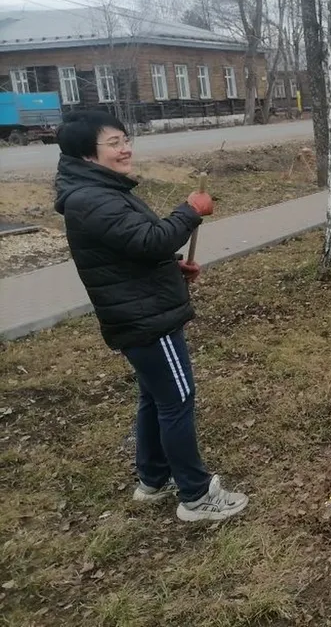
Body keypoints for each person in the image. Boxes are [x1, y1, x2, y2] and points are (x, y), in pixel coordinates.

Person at [53, 110, 248, 522]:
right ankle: (196, 496)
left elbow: (127, 254)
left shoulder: (99, 190)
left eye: (126, 139)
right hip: (146, 319)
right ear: (86, 154)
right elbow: (149, 241)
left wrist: (172, 269)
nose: (125, 149)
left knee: (154, 397)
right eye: (114, 143)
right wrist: (190, 211)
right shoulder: (91, 198)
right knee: (177, 400)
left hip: (141, 310)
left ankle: (154, 479)